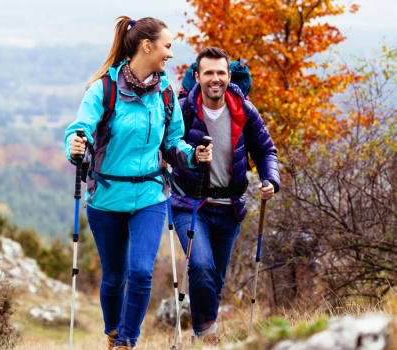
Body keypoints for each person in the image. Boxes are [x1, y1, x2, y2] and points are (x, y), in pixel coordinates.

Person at [64, 16, 211, 350]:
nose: (171, 55)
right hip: (106, 198)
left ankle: (126, 344)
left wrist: (193, 155)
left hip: (150, 195)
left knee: (142, 272)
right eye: (167, 46)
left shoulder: (166, 93)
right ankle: (112, 332)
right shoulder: (104, 88)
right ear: (148, 46)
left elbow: (173, 142)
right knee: (115, 277)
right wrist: (75, 144)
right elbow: (80, 129)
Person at [170, 47, 281, 345]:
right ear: (197, 76)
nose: (215, 79)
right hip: (190, 204)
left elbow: (265, 150)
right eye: (208, 73)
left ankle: (201, 333)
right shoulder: (182, 110)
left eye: (220, 73)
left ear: (229, 76)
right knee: (201, 265)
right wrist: (190, 156)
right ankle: (208, 336)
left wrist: (271, 179)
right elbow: (167, 149)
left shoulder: (244, 109)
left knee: (215, 279)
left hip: (230, 206)